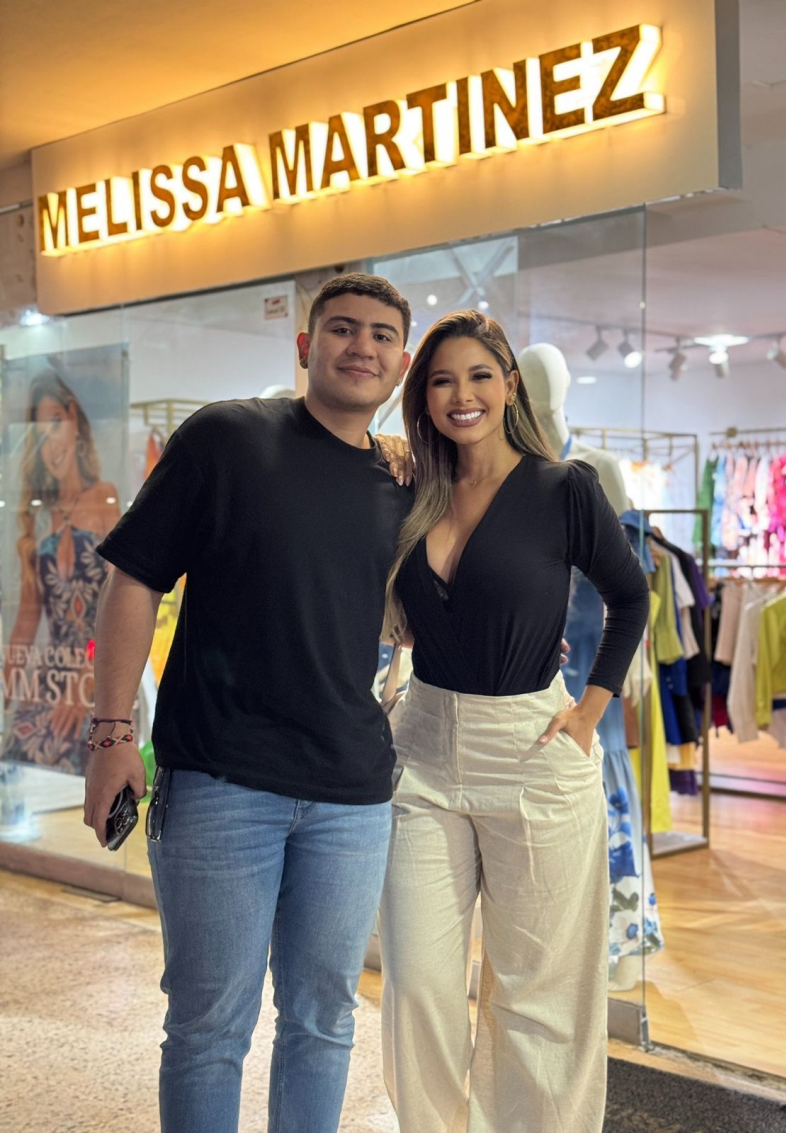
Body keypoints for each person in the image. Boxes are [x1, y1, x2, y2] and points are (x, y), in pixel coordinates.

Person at [83, 273, 416, 1133]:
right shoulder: (226, 437)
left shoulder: (405, 483)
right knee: (209, 1025)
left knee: (324, 1018)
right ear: (306, 346)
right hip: (220, 783)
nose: (361, 346)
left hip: (351, 794)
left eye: (381, 335)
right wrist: (113, 734)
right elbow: (134, 580)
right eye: (342, 328)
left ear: (401, 363)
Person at [378, 311, 650, 1133]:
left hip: (532, 748)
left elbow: (630, 594)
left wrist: (590, 707)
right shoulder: (411, 490)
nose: (461, 395)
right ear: (423, 397)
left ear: (508, 386)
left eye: (478, 376)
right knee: (418, 984)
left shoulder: (563, 488)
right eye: (441, 380)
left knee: (539, 995)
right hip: (424, 749)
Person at [2, 370, 120, 774]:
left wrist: (88, 677)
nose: (50, 443)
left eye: (55, 423)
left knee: (80, 766)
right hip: (50, 678)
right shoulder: (39, 514)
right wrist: (6, 689)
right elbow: (26, 620)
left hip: (99, 669)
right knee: (21, 758)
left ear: (73, 419)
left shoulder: (104, 498)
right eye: (40, 433)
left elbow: (117, 603)